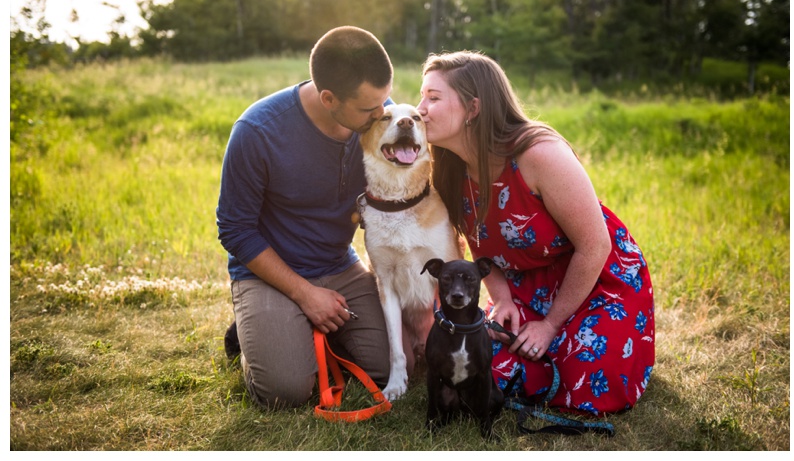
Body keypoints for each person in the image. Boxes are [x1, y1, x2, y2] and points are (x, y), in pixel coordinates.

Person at [417, 51, 655, 415]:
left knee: (588, 379)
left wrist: (549, 325)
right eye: (422, 96)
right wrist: (502, 300)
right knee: (485, 370)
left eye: (433, 98)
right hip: (524, 283)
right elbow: (481, 250)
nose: (421, 108)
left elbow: (594, 246)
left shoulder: (540, 155)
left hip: (594, 276)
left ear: (473, 108)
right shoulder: (449, 170)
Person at [216, 26, 392, 409]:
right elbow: (234, 229)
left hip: (338, 265)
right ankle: (256, 335)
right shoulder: (257, 131)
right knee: (286, 391)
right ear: (329, 98)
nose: (382, 115)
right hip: (271, 274)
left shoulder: (379, 118)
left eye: (384, 101)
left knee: (390, 365)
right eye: (369, 109)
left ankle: (297, 329)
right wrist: (304, 294)